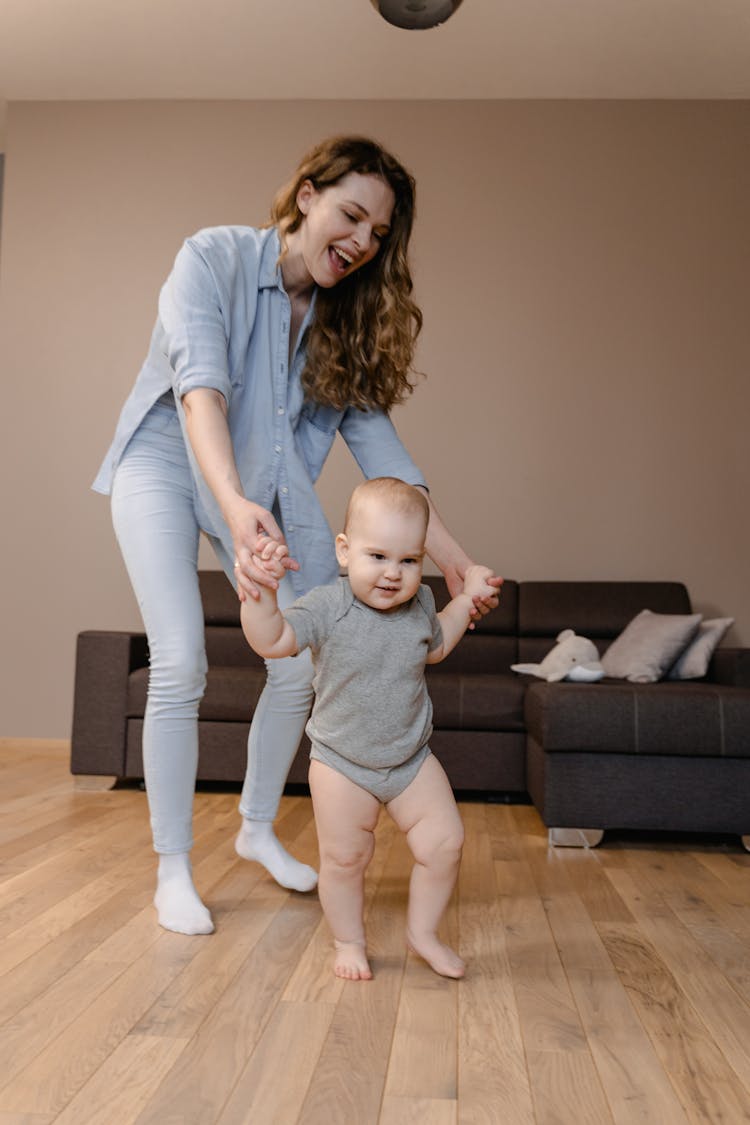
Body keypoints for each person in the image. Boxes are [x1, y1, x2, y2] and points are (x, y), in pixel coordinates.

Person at [93, 135, 501, 936]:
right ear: (306, 196)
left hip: (271, 492)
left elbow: (390, 461)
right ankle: (173, 866)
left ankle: (253, 825)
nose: (360, 242)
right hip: (170, 465)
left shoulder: (343, 322)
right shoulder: (209, 260)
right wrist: (235, 505)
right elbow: (199, 392)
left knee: (304, 665)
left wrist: (456, 564)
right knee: (180, 659)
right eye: (351, 214)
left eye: (379, 234)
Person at [241, 477, 498, 980]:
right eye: (377, 556)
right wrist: (262, 595)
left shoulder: (421, 602)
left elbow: (437, 643)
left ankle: (423, 933)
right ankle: (348, 941)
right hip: (342, 763)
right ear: (345, 551)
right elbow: (272, 641)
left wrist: (467, 598)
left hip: (410, 759)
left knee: (444, 844)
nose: (393, 573)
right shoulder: (327, 605)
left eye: (408, 560)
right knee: (344, 859)